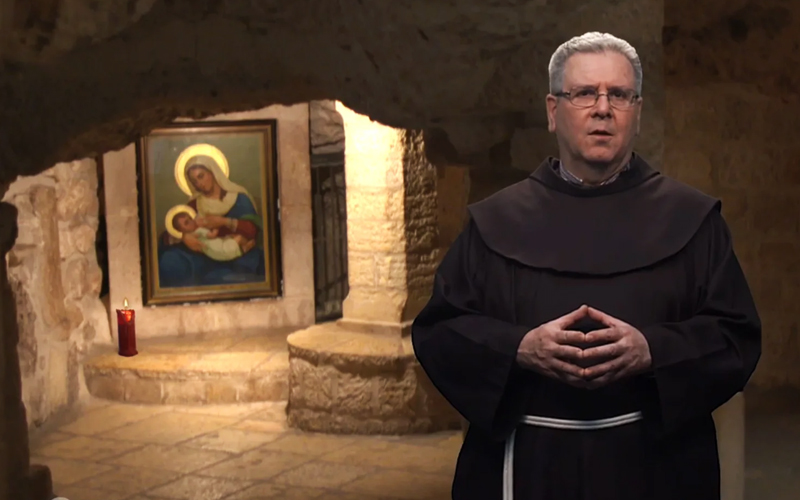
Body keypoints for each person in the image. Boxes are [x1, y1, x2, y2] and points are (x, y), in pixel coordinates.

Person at [411, 32, 761, 500]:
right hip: (529, 462)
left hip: (656, 464)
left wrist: (653, 351)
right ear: (553, 111)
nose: (602, 109)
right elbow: (439, 332)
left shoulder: (693, 220)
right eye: (584, 93)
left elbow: (736, 337)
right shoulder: (495, 222)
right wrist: (519, 348)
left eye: (619, 94)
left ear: (637, 112)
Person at [158, 155, 266, 287]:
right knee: (169, 259)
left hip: (236, 255)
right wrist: (184, 237)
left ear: (213, 172)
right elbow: (177, 228)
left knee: (228, 274)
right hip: (205, 256)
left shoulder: (238, 198)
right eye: (194, 181)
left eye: (201, 176)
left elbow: (253, 230)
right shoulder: (194, 204)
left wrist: (224, 222)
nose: (199, 184)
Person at [170, 210, 256, 262]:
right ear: (181, 230)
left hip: (215, 253)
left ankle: (243, 249)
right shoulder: (198, 231)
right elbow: (212, 235)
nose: (191, 222)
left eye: (190, 219)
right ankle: (246, 246)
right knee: (239, 238)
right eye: (186, 223)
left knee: (231, 238)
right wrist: (216, 226)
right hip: (219, 248)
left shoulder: (194, 233)